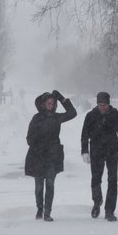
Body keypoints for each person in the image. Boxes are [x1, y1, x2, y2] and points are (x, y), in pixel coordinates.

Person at [24, 90, 77, 221]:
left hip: (53, 157)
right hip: (38, 157)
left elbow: (72, 113)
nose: (51, 105)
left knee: (50, 184)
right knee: (39, 187)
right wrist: (39, 144)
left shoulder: (57, 117)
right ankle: (39, 208)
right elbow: (29, 138)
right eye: (49, 103)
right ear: (43, 104)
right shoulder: (36, 119)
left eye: (53, 103)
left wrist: (61, 98)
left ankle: (47, 212)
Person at [81, 91, 118, 222]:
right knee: (96, 179)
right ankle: (97, 202)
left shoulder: (115, 115)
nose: (102, 107)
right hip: (96, 151)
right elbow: (84, 135)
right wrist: (85, 151)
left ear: (109, 104)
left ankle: (109, 210)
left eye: (104, 105)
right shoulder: (91, 116)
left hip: (111, 151)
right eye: (100, 105)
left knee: (112, 180)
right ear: (97, 104)